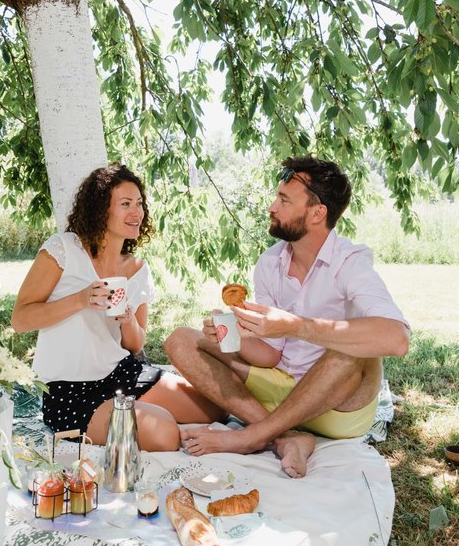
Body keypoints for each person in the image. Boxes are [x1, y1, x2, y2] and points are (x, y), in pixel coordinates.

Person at [164, 156, 410, 477]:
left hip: (336, 404)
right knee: (181, 339)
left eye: (283, 200)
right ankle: (285, 437)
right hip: (280, 394)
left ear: (317, 213)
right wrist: (236, 336)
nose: (271, 207)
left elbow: (397, 339)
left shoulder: (350, 262)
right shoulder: (270, 263)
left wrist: (295, 326)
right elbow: (270, 355)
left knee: (357, 351)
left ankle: (252, 435)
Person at [12, 163, 224, 452]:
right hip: (68, 391)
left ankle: (137, 409)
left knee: (216, 409)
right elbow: (21, 319)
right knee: (163, 435)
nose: (136, 212)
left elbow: (135, 343)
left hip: (122, 373)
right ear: (101, 209)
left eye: (139, 203)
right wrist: (81, 299)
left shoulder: (136, 269)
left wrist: (126, 319)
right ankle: (150, 418)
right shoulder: (63, 250)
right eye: (125, 204)